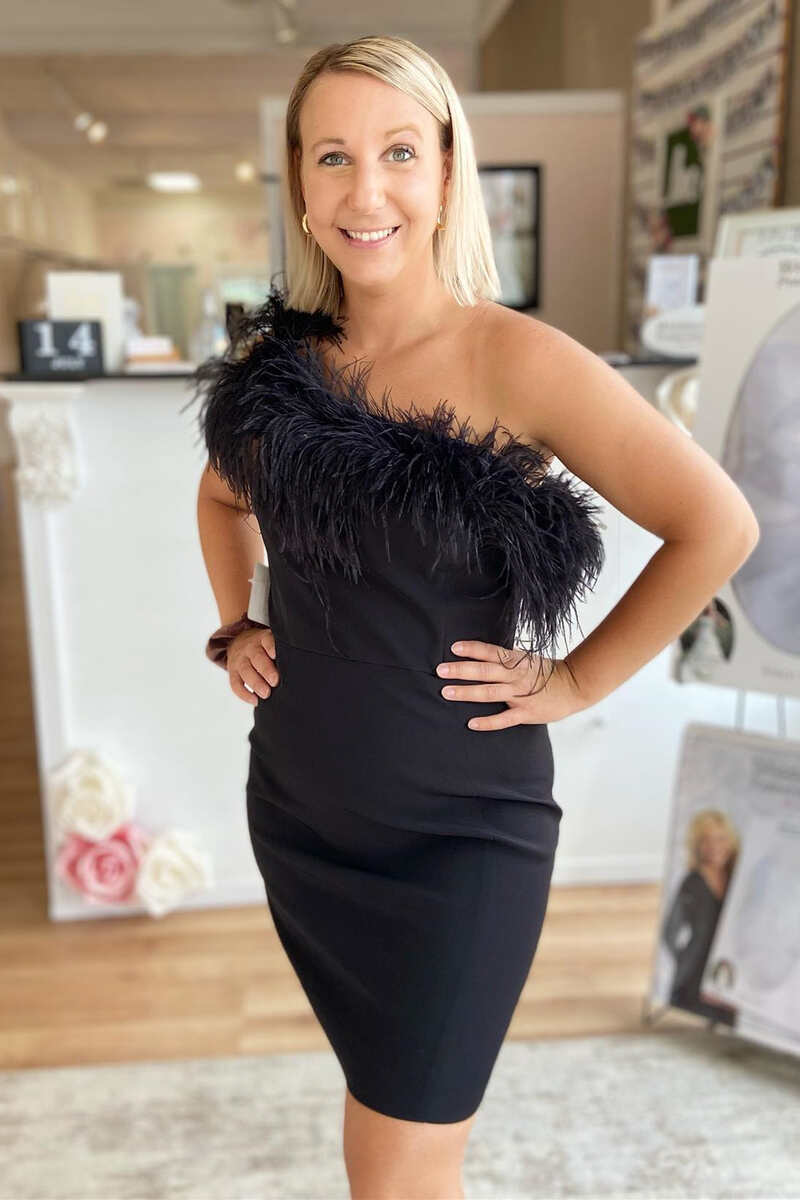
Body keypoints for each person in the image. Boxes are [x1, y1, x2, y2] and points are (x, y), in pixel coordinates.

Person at [188, 34, 760, 1200]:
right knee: (384, 1131)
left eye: (399, 152)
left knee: (399, 1163)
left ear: (449, 170)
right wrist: (235, 623)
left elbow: (717, 525)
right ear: (298, 180)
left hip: (459, 838)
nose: (366, 191)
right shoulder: (278, 372)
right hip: (301, 814)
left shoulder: (516, 359)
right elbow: (219, 496)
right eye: (333, 156)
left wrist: (577, 680)